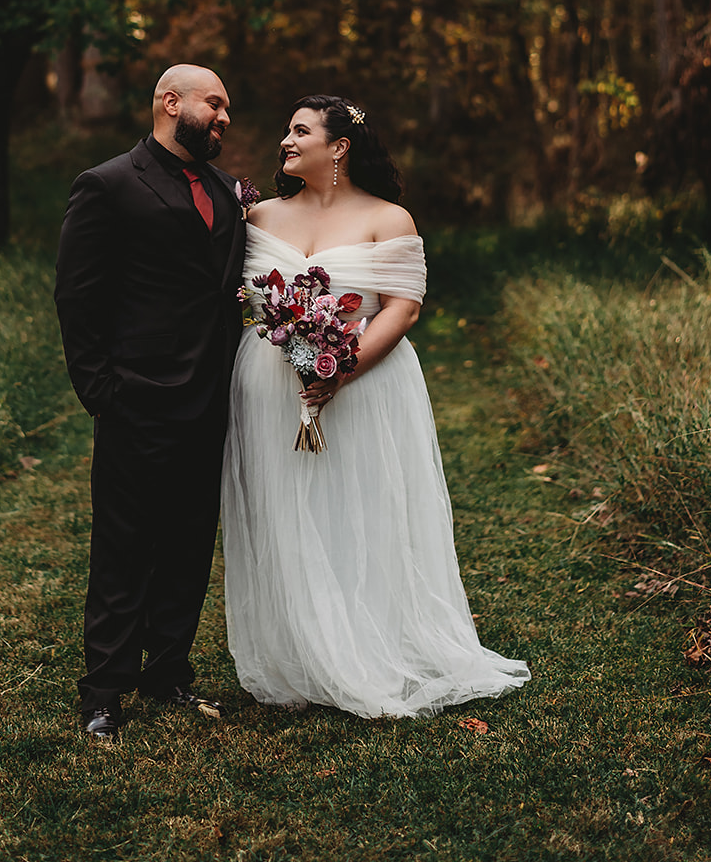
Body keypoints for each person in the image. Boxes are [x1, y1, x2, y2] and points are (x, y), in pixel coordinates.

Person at [221, 94, 530, 719]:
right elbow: (238, 299)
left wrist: (340, 369)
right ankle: (302, 652)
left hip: (363, 384)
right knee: (284, 508)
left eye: (299, 130)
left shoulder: (389, 219)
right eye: (286, 129)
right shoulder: (256, 217)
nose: (285, 140)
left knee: (358, 506)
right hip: (268, 382)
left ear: (339, 148)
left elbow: (403, 308)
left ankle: (371, 647)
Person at [55, 63, 246, 742]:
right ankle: (102, 692)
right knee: (123, 547)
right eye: (214, 105)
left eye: (226, 109)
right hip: (135, 396)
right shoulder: (107, 185)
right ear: (172, 102)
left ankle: (167, 673)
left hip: (212, 398)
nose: (224, 118)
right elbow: (77, 297)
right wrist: (101, 391)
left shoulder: (227, 189)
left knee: (190, 544)